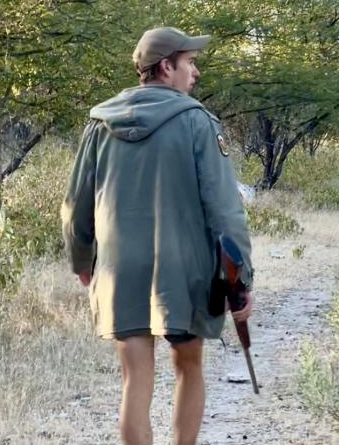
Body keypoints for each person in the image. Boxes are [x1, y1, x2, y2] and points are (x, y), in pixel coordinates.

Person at [61, 26, 254, 445]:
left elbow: (76, 205)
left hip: (119, 271)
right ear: (166, 67)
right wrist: (242, 280)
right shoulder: (198, 122)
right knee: (189, 367)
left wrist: (82, 260)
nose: (195, 72)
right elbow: (226, 211)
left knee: (135, 379)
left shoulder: (99, 124)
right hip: (184, 271)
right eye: (190, 63)